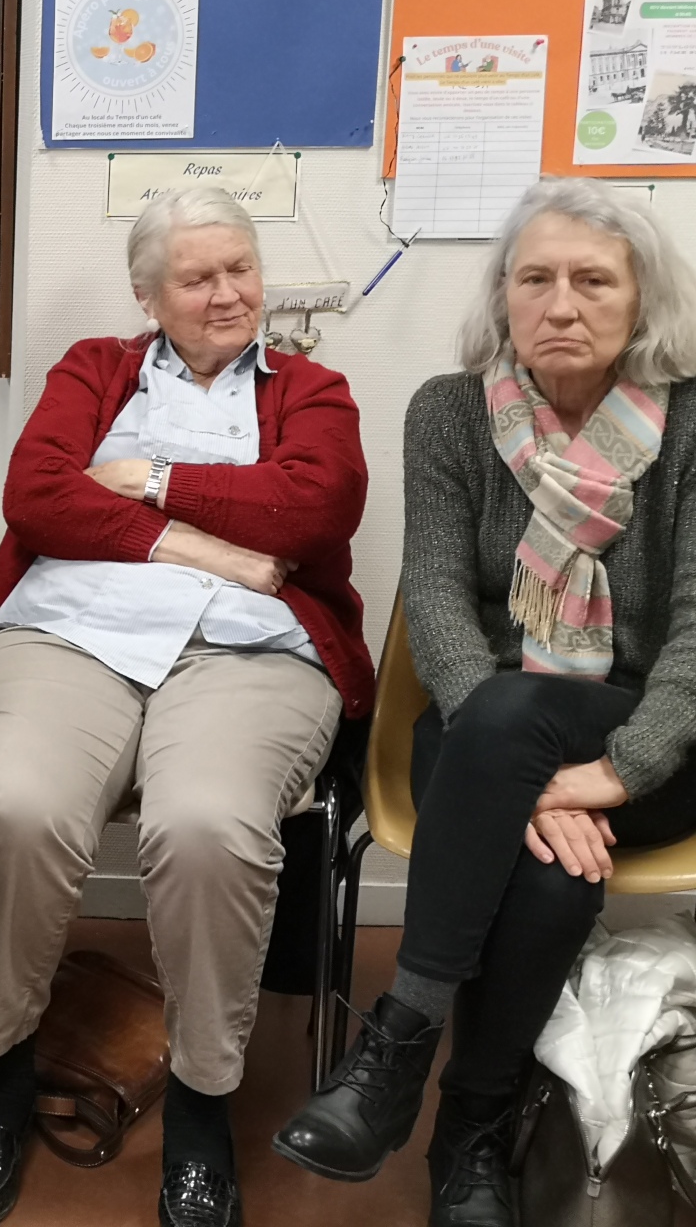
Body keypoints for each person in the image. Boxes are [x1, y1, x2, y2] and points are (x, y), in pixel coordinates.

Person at [0, 187, 374, 1227]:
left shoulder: (312, 389)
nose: (226, 294)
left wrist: (147, 479)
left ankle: (202, 1103)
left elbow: (316, 507)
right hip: (67, 634)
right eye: (196, 277)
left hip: (248, 650)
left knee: (209, 825)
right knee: (16, 807)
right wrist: (208, 547)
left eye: (240, 269)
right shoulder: (94, 369)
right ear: (147, 296)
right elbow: (39, 498)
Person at [276, 179, 696, 1227]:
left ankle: (394, 1053)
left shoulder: (691, 425)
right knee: (546, 869)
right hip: (485, 731)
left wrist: (617, 771)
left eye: (592, 281)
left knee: (515, 722)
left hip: (658, 736)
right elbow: (433, 600)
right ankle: (470, 1131)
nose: (560, 304)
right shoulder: (449, 413)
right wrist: (533, 782)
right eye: (534, 278)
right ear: (502, 295)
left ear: (642, 300)